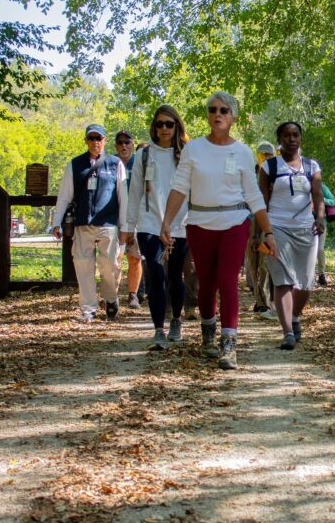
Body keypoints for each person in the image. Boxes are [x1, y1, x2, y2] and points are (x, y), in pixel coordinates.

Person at [161, 91, 275, 369]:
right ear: (207, 115)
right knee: (206, 284)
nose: (218, 114)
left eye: (224, 110)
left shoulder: (242, 152)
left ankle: (229, 344)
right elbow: (179, 188)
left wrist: (268, 230)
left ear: (233, 117)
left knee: (227, 280)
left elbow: (254, 195)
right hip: (200, 223)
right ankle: (207, 333)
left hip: (235, 222)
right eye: (213, 110)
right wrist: (166, 221)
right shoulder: (194, 149)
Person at [123, 106, 190, 346]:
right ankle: (158, 328)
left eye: (169, 124)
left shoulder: (186, 154)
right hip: (149, 223)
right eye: (160, 124)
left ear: (177, 126)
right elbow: (135, 191)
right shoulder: (144, 155)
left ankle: (176, 320)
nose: (164, 129)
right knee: (154, 274)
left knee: (175, 276)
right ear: (154, 126)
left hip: (180, 224)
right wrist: (129, 225)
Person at [52, 124, 128, 323]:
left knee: (109, 266)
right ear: (86, 140)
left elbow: (123, 198)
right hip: (82, 223)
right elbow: (64, 196)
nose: (95, 142)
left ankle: (111, 299)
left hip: (108, 223)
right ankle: (88, 309)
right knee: (83, 266)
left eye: (99, 138)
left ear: (104, 140)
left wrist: (125, 227)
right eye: (91, 138)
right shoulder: (75, 165)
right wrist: (56, 222)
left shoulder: (115, 163)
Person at [259, 121, 325, 350]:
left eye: (295, 135)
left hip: (306, 229)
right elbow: (261, 202)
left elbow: (318, 195)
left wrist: (319, 217)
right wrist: (262, 231)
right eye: (286, 135)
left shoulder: (311, 166)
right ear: (279, 139)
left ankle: (295, 316)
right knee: (283, 280)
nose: (291, 139)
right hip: (277, 228)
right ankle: (287, 331)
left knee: (305, 284)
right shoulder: (269, 167)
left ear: (300, 138)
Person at [113, 131, 144, 309]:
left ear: (132, 145)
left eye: (127, 142)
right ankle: (112, 295)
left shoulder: (139, 163)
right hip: (114, 217)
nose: (124, 146)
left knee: (134, 257)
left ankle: (133, 295)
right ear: (115, 145)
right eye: (120, 143)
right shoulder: (111, 163)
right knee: (114, 257)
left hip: (135, 217)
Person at [245, 141, 276, 315]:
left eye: (268, 154)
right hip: (250, 222)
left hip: (268, 222)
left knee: (265, 262)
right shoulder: (251, 172)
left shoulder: (275, 172)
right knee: (253, 262)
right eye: (262, 154)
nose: (265, 157)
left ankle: (265, 301)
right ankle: (259, 299)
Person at [315, 182, 335, 287]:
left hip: (321, 221)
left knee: (320, 249)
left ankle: (321, 275)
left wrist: (322, 199)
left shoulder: (322, 187)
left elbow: (334, 201)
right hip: (304, 221)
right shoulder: (300, 184)